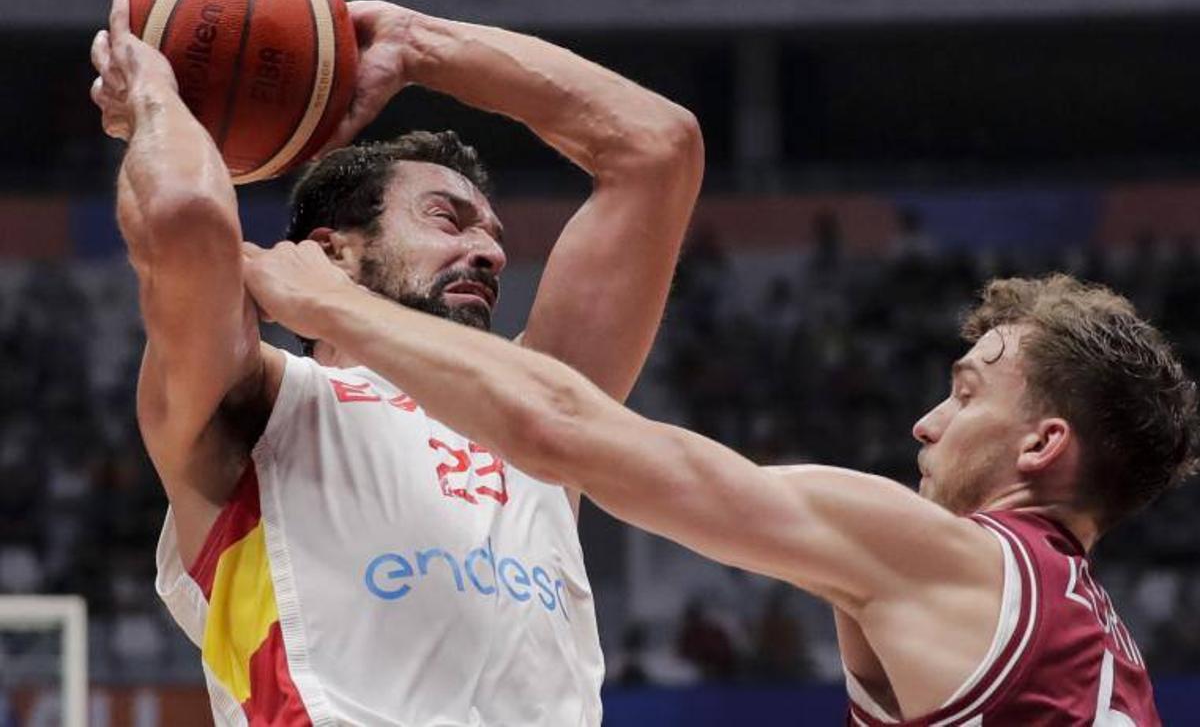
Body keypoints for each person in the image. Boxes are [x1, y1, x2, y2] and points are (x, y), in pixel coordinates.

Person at [239, 244, 1198, 725]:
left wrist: (328, 305)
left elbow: (559, 431)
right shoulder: (1095, 639)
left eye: (966, 390)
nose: (927, 421)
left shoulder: (953, 562)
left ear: (1043, 446)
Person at [89, 0, 702, 725]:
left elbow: (658, 147)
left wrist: (419, 45)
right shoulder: (260, 405)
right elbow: (186, 218)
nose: (487, 251)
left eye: (496, 237)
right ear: (334, 253)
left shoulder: (537, 414)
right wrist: (155, 96)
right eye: (448, 218)